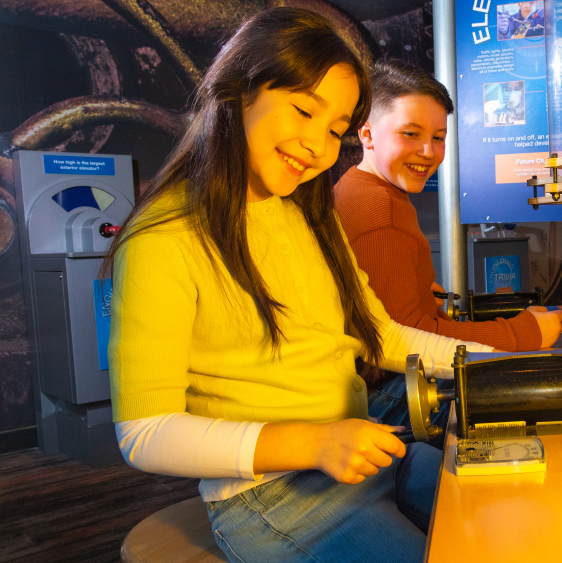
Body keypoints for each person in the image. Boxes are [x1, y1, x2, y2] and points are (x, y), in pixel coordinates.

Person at [104, 9, 490, 563]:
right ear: (238, 92)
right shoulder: (166, 236)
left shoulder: (308, 212)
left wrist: (485, 363)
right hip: (273, 495)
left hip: (366, 455)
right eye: (304, 111)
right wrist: (315, 441)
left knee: (507, 511)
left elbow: (377, 334)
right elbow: (145, 432)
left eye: (334, 131)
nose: (316, 145)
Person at [333, 59, 562, 430]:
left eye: (438, 137)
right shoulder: (379, 211)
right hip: (386, 390)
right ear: (367, 135)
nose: (428, 151)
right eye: (411, 134)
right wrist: (522, 333)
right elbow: (404, 338)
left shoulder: (363, 187)